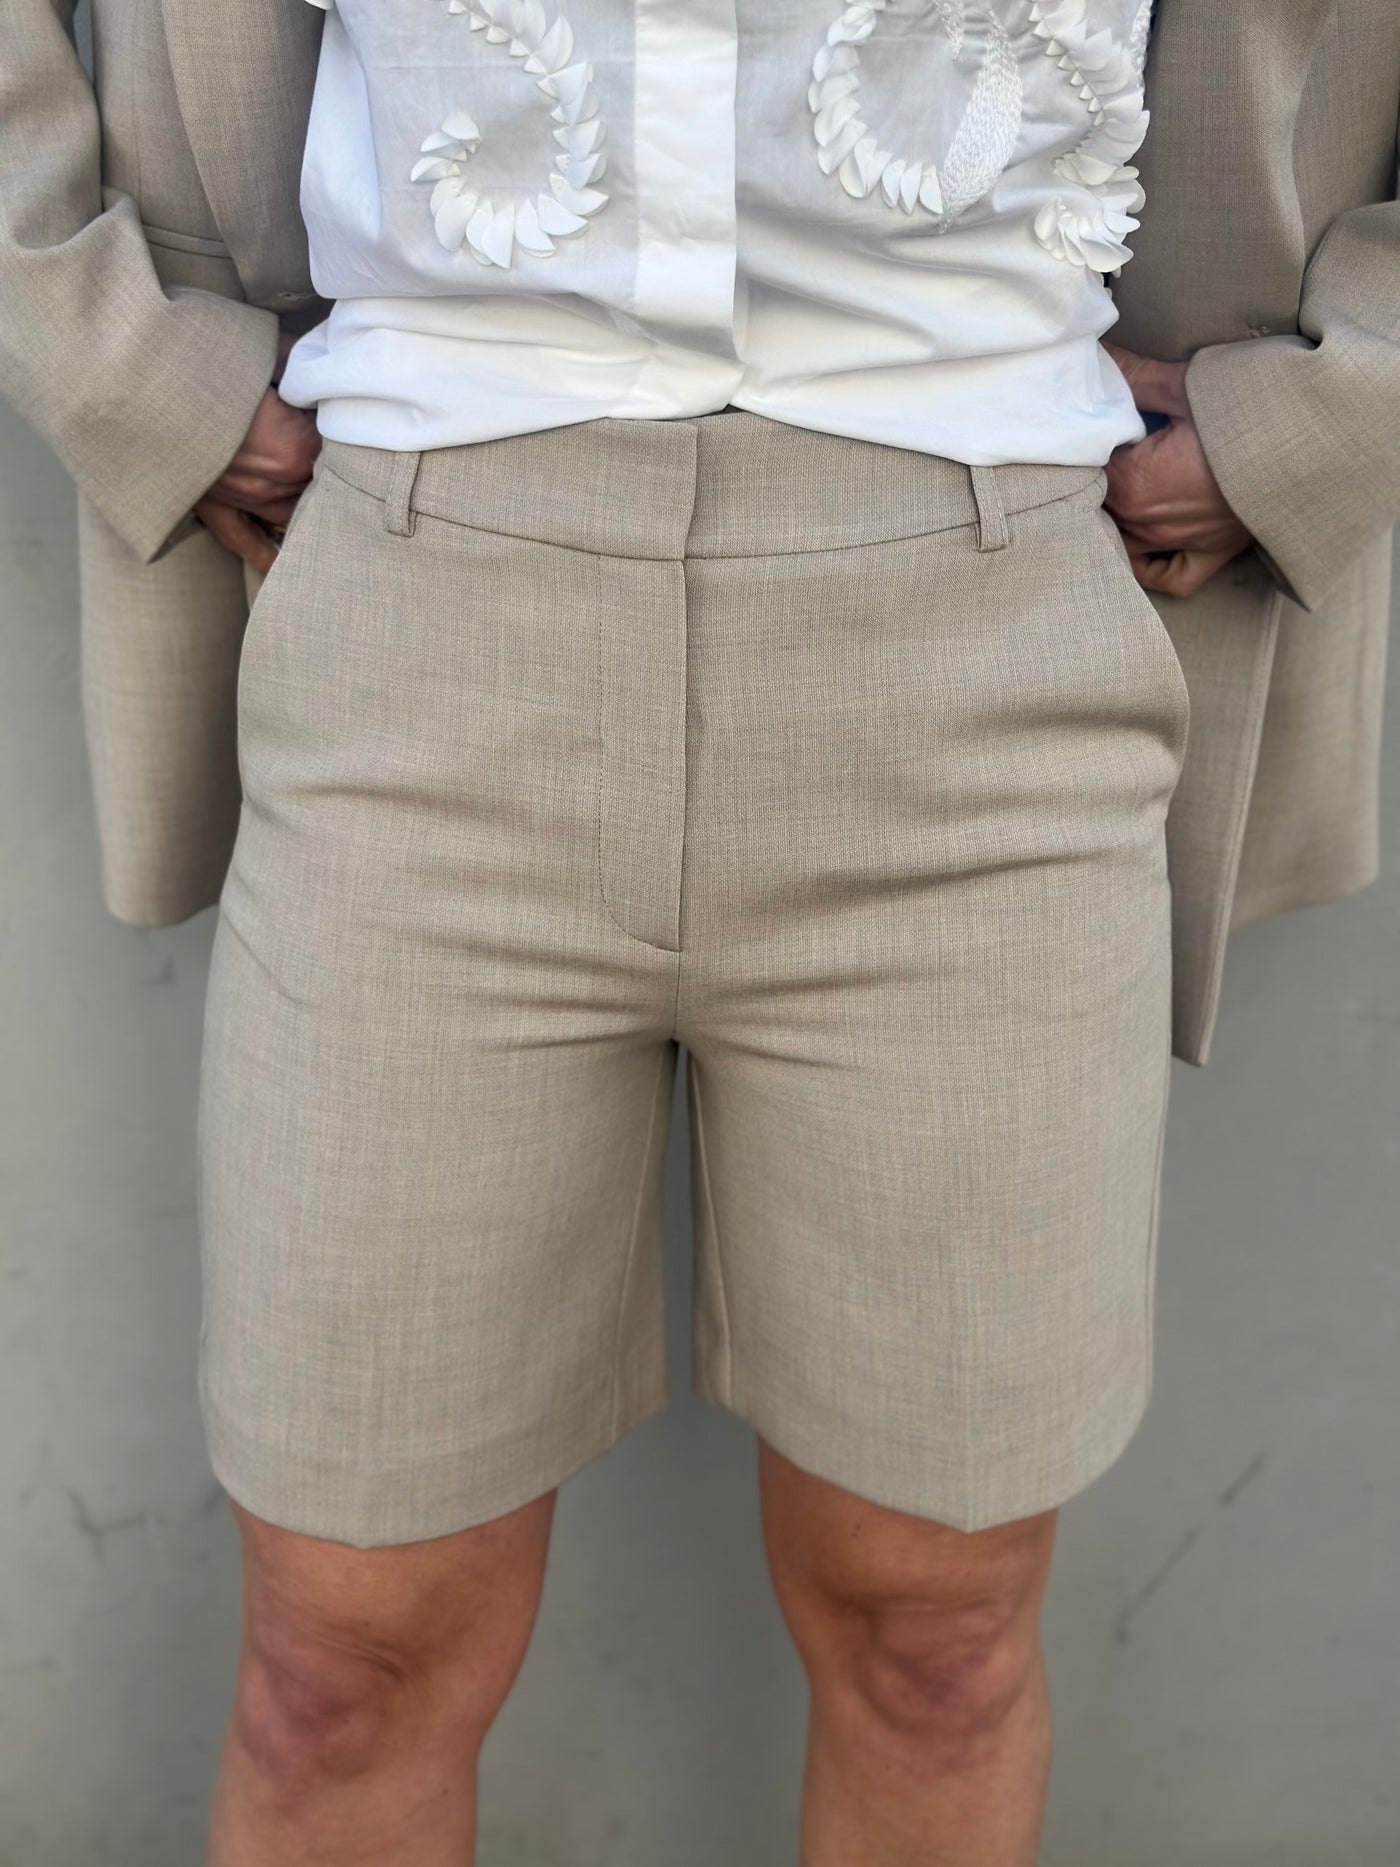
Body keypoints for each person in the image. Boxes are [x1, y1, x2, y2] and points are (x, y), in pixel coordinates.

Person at [1, 3, 1396, 1863]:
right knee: (345, 1663)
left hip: (988, 635)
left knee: (935, 1642)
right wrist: (122, 370)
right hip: (420, 616)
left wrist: (1337, 411)